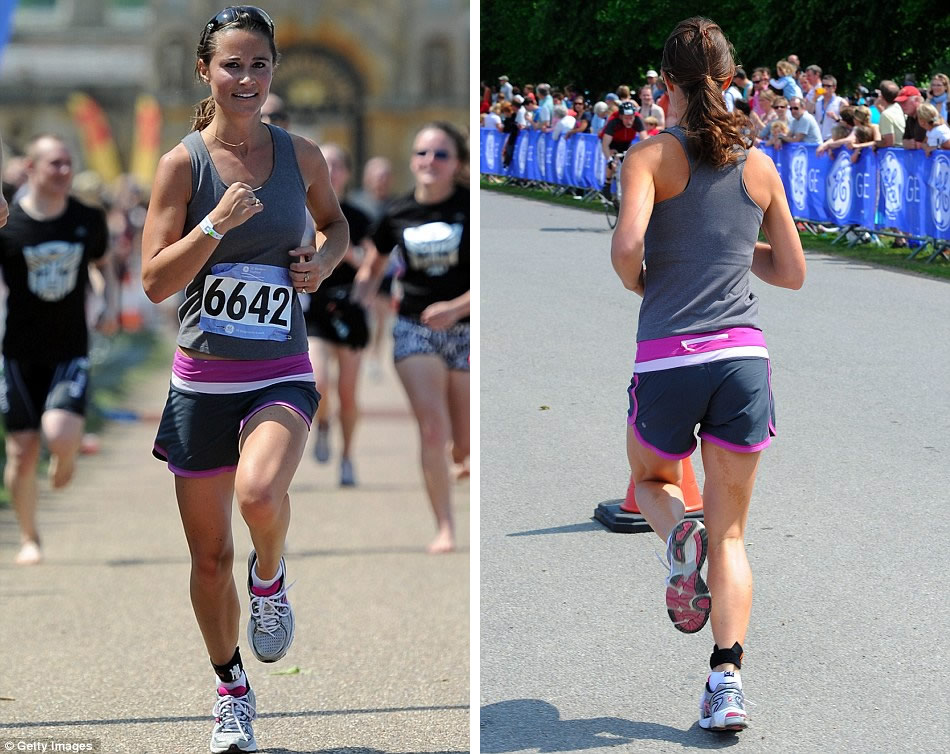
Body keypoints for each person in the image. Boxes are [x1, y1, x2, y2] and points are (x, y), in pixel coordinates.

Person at [140, 7, 348, 752]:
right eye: (233, 65)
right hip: (202, 379)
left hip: (279, 370)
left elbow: (337, 225)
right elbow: (156, 281)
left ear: (273, 71)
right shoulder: (181, 165)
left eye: (259, 65)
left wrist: (321, 263)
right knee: (206, 558)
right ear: (206, 71)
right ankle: (231, 689)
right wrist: (215, 225)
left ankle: (272, 580)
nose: (247, 79)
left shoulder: (302, 155)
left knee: (259, 495)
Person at [610, 16, 805, 732]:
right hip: (743, 358)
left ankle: (672, 542)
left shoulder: (649, 157)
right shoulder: (758, 164)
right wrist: (731, 253)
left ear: (665, 84)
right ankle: (726, 683)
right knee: (731, 536)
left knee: (655, 481)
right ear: (730, 81)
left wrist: (648, 282)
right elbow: (791, 271)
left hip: (670, 354)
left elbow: (628, 245)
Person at [0, 133, 118, 566]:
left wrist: (108, 302)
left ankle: (66, 458)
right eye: (55, 164)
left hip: (70, 348)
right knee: (21, 449)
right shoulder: (8, 223)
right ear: (31, 168)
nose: (65, 171)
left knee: (58, 435)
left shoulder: (87, 218)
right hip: (18, 352)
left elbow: (103, 263)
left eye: (69, 163)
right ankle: (30, 537)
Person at [356, 122, 469, 554]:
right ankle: (444, 526)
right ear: (412, 160)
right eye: (423, 153)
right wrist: (358, 300)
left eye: (441, 155)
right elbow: (372, 264)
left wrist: (456, 309)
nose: (430, 162)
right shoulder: (398, 212)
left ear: (455, 162)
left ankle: (463, 458)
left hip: (464, 330)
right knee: (432, 429)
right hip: (414, 329)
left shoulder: (467, 208)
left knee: (464, 442)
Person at [307, 144, 376, 485]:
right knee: (318, 382)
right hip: (314, 311)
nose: (330, 170)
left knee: (348, 392)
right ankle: (322, 424)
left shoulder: (359, 217)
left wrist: (343, 251)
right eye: (325, 164)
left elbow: (374, 265)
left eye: (336, 164)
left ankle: (347, 456)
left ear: (347, 173)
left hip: (349, 309)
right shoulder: (301, 212)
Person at [601, 101, 646, 199]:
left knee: (630, 164)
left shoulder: (637, 119)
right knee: (612, 161)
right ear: (621, 116)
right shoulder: (614, 121)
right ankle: (607, 184)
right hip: (613, 142)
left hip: (626, 142)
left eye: (631, 118)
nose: (629, 121)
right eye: (626, 118)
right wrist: (609, 160)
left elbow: (645, 140)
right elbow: (605, 145)